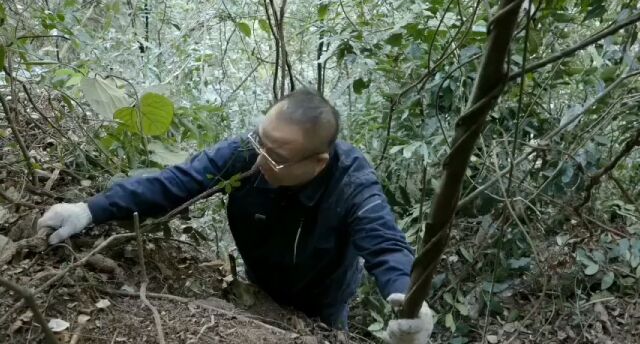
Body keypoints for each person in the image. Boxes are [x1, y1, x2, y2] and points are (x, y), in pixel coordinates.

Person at [38, 88, 433, 343]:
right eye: (260, 142)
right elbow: (176, 182)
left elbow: (384, 243)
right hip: (258, 290)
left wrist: (410, 299)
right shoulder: (247, 151)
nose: (260, 159)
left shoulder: (350, 181)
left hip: (325, 302)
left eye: (276, 157)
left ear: (317, 163)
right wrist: (90, 210)